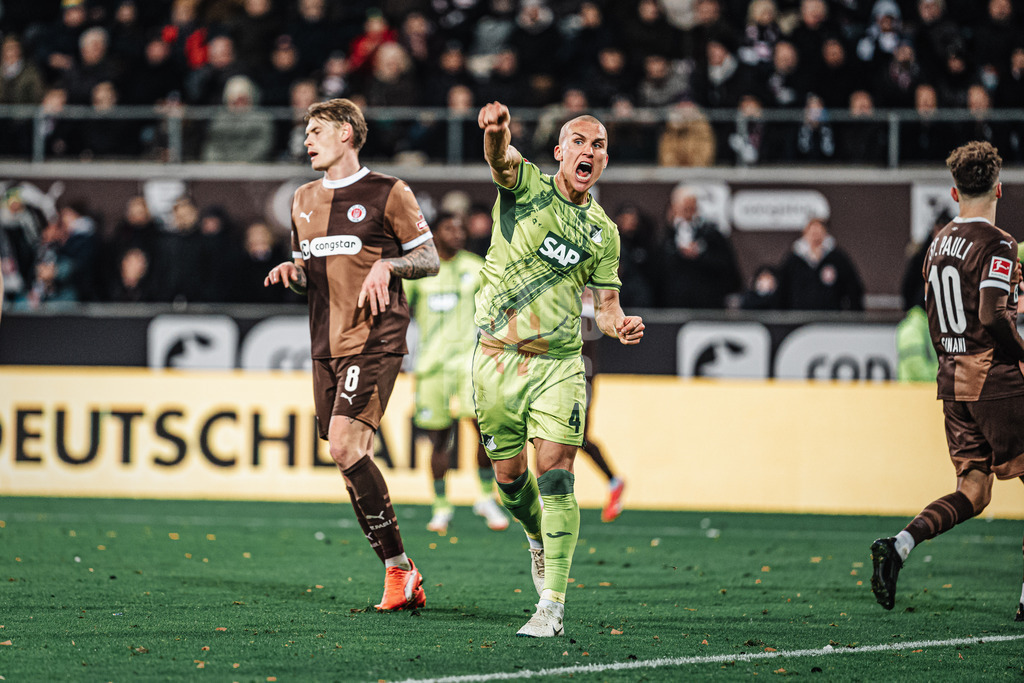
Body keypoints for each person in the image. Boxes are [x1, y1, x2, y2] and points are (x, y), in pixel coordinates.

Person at [473, 101, 645, 637]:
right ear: (559, 152)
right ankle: (535, 537)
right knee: (510, 480)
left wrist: (618, 325)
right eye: (579, 142)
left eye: (598, 145)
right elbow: (500, 159)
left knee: (556, 476)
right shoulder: (526, 187)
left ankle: (551, 604)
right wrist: (497, 131)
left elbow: (607, 304)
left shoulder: (604, 232)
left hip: (560, 364)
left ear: (604, 161)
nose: (588, 151)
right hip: (496, 356)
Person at [264, 98, 439, 611]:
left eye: (316, 131)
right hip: (326, 344)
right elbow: (308, 271)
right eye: (306, 133)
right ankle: (400, 572)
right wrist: (294, 274)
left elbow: (428, 258)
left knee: (343, 446)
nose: (307, 140)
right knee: (348, 458)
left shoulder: (389, 191)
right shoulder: (302, 199)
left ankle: (397, 569)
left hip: (375, 335)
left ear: (346, 133)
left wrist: (389, 265)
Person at [870, 141, 1024, 622]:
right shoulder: (999, 244)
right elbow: (992, 313)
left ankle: (900, 544)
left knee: (974, 490)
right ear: (999, 188)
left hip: (953, 381)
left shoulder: (936, 245)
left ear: (955, 193)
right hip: (993, 377)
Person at [404, 212, 509, 534]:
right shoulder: (418, 270)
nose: (457, 234)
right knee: (439, 440)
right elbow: (398, 313)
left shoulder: (477, 268)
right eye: (449, 228)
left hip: (470, 364)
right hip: (431, 366)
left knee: (484, 430)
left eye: (461, 229)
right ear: (434, 233)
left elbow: (500, 310)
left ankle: (485, 497)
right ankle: (441, 506)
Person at [580, 288, 626, 523]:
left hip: (580, 383)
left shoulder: (589, 314)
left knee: (578, 438)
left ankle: (614, 481)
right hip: (562, 380)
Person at [775, 216, 864, 311]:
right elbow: (782, 290)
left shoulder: (837, 258)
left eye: (819, 231)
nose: (815, 236)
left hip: (829, 316)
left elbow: (853, 287)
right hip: (800, 316)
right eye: (812, 232)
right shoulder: (793, 260)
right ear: (805, 233)